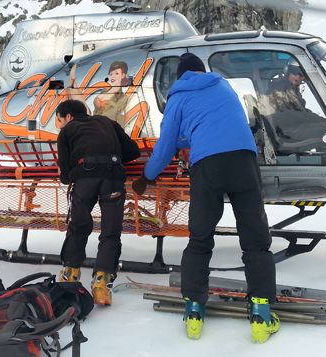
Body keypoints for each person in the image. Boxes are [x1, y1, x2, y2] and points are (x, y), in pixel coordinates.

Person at [132, 53, 279, 343]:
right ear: (202, 70)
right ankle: (261, 314)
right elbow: (224, 123)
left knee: (200, 237)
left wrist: (147, 176)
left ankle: (195, 310)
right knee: (255, 236)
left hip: (207, 166)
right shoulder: (223, 86)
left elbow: (166, 145)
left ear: (180, 76)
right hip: (243, 160)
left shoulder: (178, 97)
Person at [55, 99, 140, 306]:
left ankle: (70, 275)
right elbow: (133, 151)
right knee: (110, 231)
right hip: (112, 178)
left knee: (79, 226)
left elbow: (65, 175)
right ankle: (101, 284)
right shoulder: (108, 122)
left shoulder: (67, 131)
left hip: (85, 179)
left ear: (68, 117)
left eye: (59, 119)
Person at [67, 61, 131, 128]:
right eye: (111, 74)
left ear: (123, 75)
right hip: (94, 126)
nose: (113, 76)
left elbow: (119, 118)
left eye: (116, 73)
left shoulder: (122, 97)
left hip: (106, 129)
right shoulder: (104, 91)